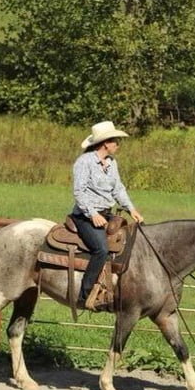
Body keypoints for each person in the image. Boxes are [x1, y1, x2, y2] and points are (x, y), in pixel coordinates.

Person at [71, 121, 144, 310]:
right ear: (105, 143)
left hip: (106, 214)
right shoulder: (84, 162)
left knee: (128, 241)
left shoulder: (112, 163)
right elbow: (79, 192)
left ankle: (114, 288)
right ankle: (84, 295)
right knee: (101, 249)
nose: (118, 144)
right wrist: (93, 214)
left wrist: (131, 209)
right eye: (116, 141)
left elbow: (118, 189)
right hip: (85, 216)